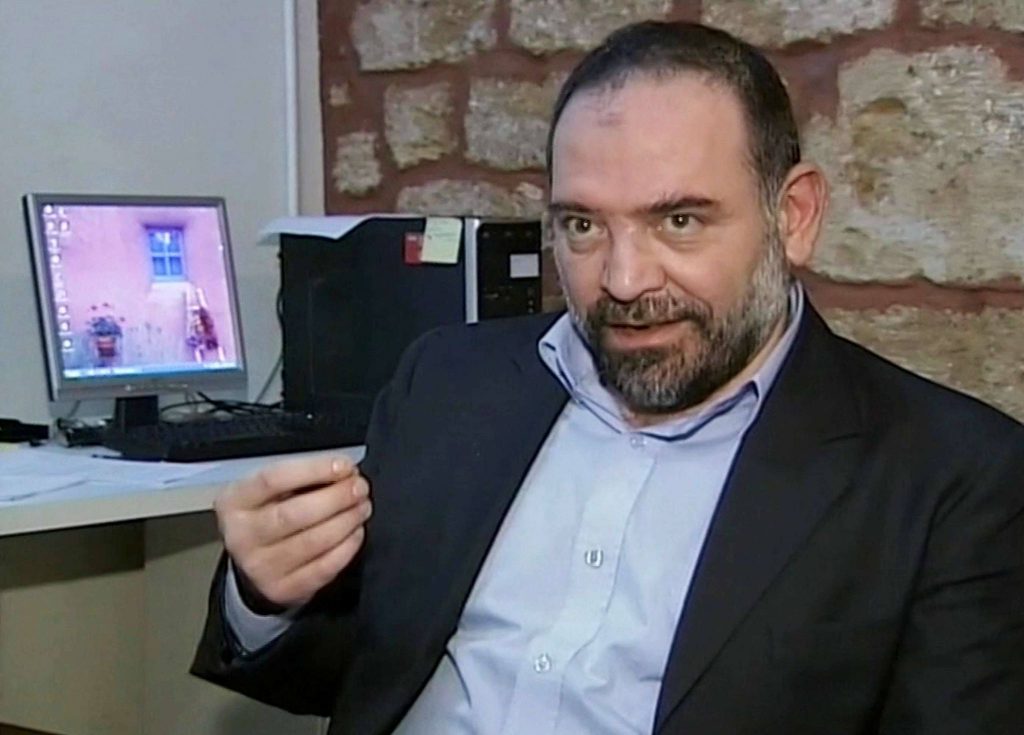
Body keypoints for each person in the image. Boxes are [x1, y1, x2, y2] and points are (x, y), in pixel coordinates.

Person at [192, 20, 1024, 734]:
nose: (623, 280)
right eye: (583, 225)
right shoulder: (448, 381)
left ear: (793, 217)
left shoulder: (952, 478)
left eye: (679, 219)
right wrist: (265, 595)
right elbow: (358, 669)